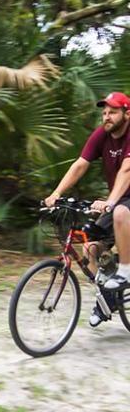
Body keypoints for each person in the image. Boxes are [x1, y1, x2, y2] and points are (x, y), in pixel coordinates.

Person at [45, 91, 130, 327]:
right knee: (91, 248)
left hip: (123, 203)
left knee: (121, 212)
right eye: (104, 112)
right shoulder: (102, 135)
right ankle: (108, 298)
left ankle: (126, 270)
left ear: (127, 114)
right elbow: (80, 165)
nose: (106, 116)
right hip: (120, 200)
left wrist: (110, 202)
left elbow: (126, 171)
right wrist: (56, 194)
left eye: (113, 111)